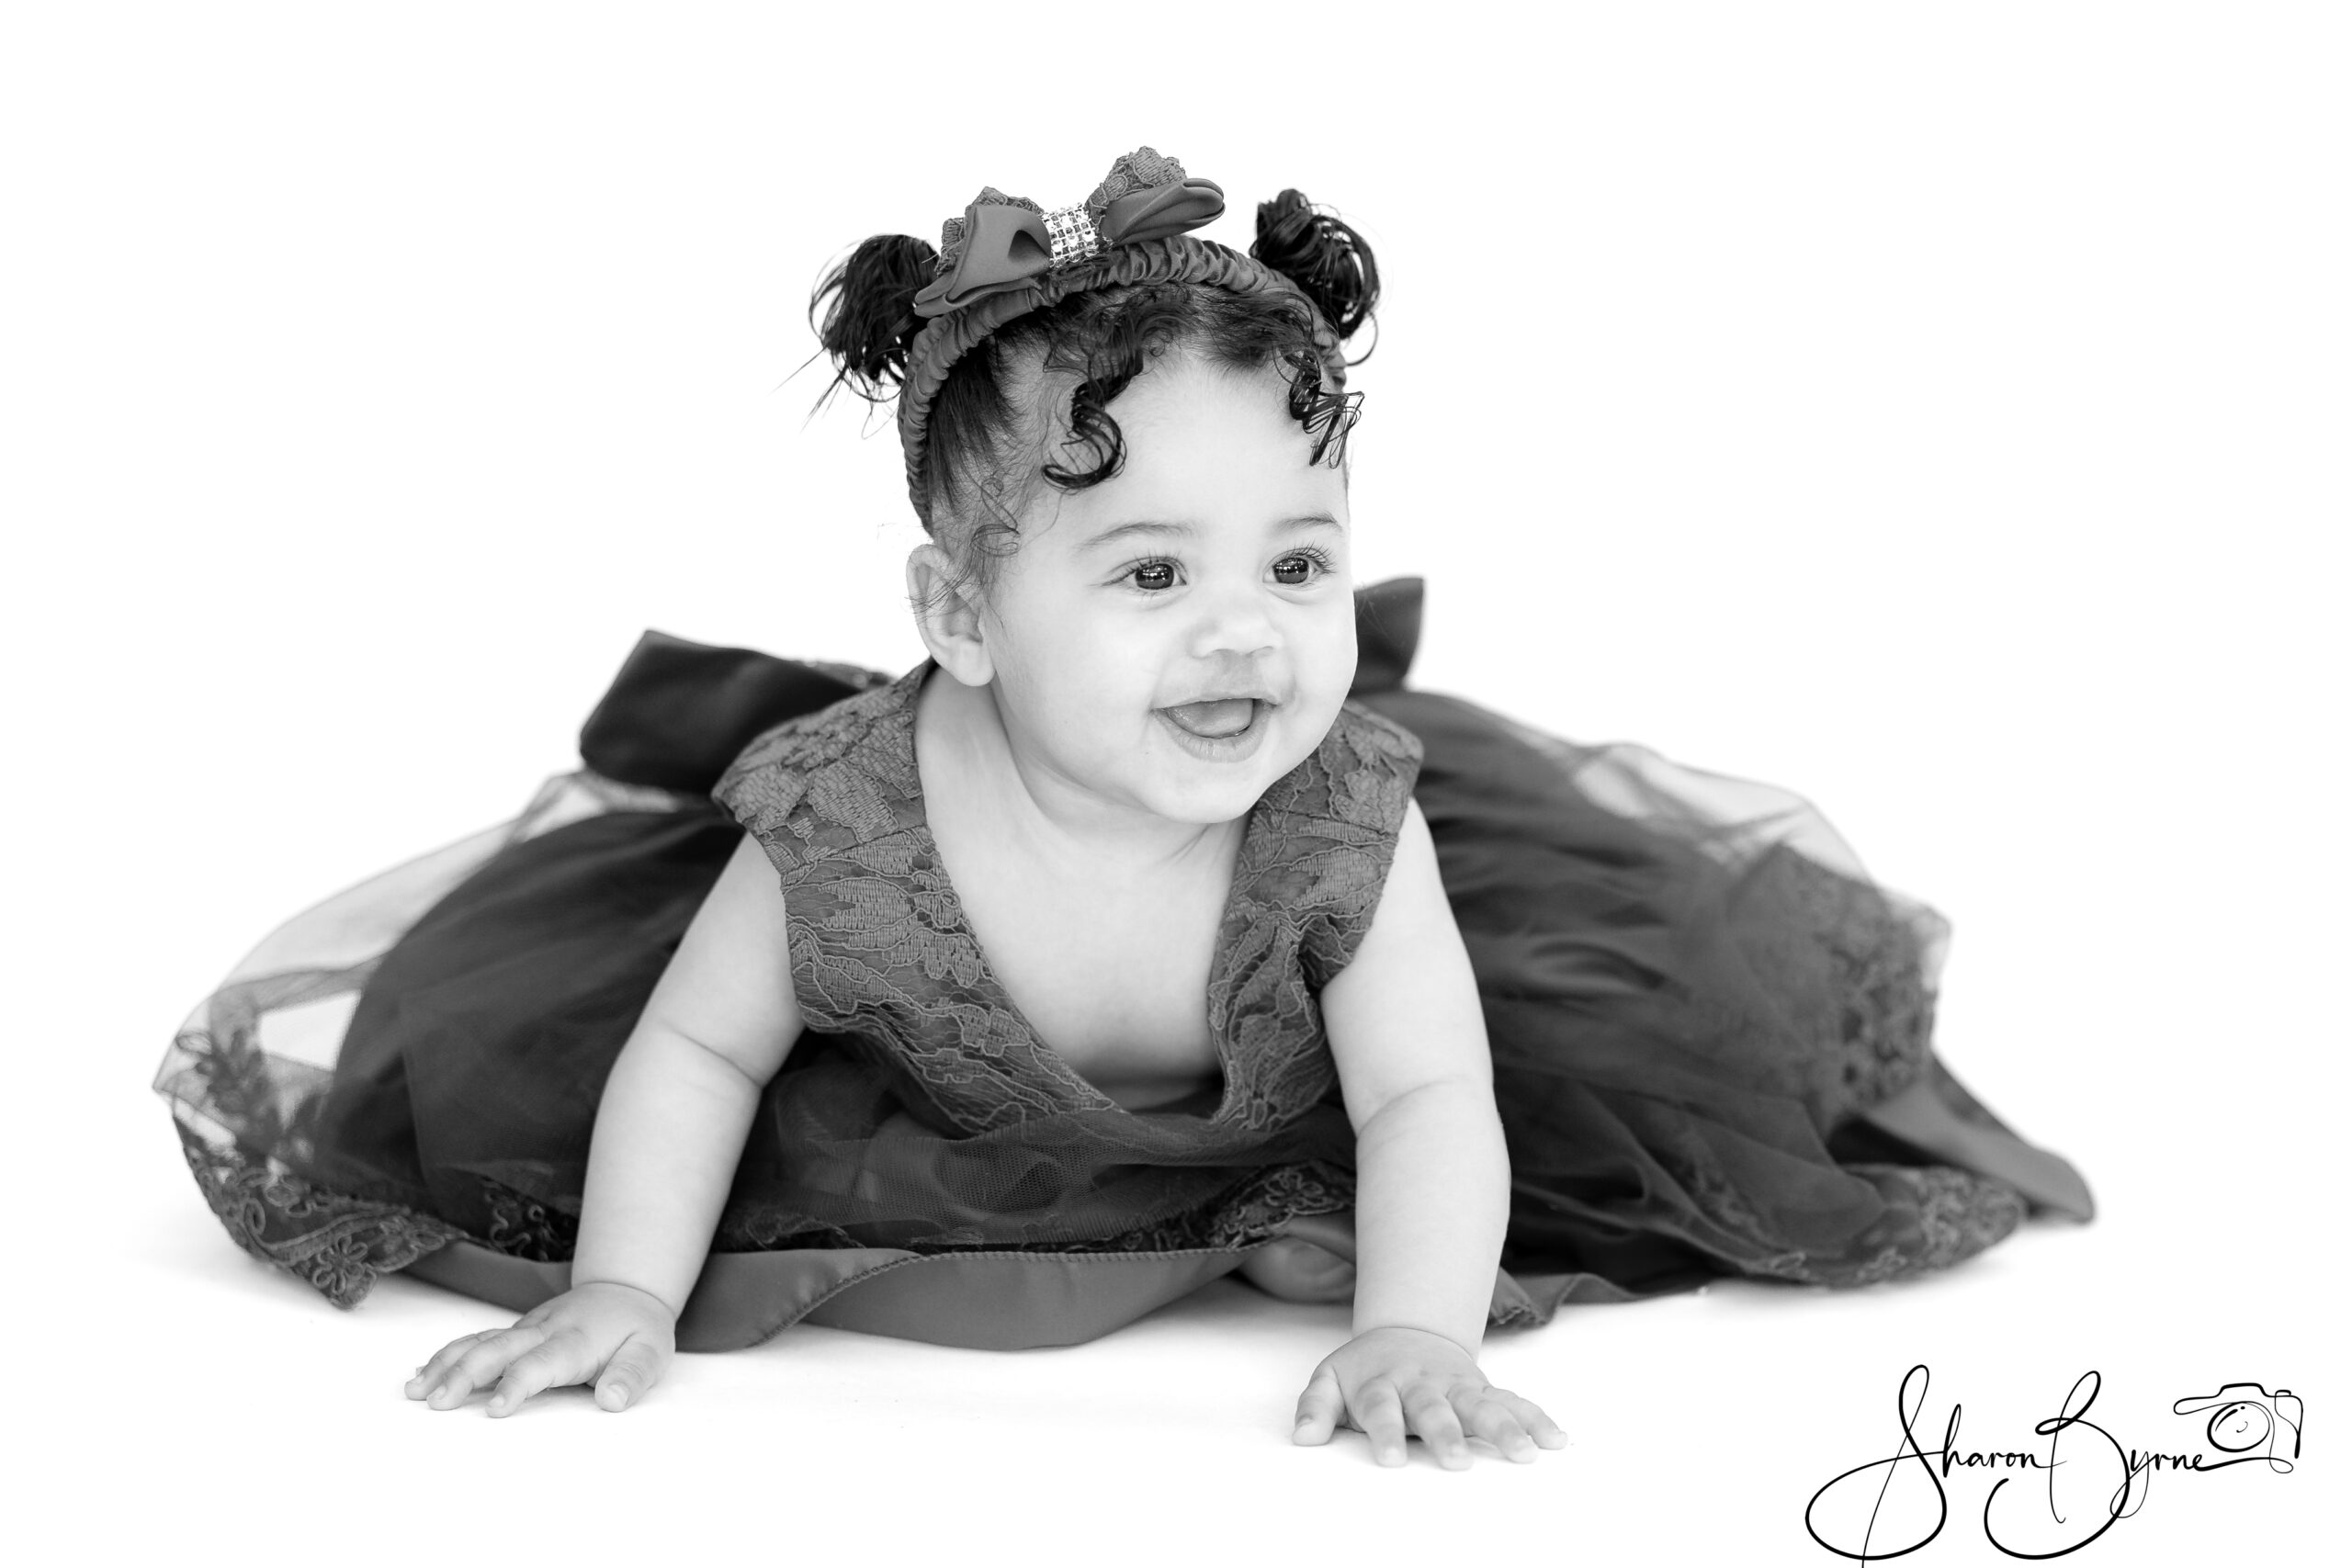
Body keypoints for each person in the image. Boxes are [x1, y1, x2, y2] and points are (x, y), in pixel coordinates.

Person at [153, 147, 2093, 1468]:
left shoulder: (1340, 812)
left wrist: (1418, 1327)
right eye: (1151, 576)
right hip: (933, 1090)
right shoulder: (847, 823)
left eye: (1300, 563)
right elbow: (693, 1050)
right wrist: (624, 1289)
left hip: (1309, 1072)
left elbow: (1426, 1090)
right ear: (959, 615)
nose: (1246, 636)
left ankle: (1322, 1242)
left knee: (1525, 1078)